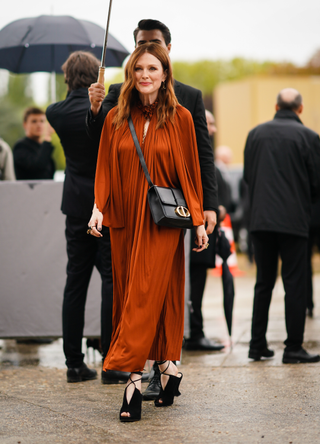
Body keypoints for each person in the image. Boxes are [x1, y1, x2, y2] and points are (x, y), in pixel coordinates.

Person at [86, 18, 218, 395]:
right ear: (131, 69)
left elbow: (196, 163)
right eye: (138, 66)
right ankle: (167, 366)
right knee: (133, 291)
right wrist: (99, 206)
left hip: (164, 217)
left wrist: (201, 213)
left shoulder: (183, 110)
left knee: (146, 291)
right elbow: (103, 159)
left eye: (152, 65)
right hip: (125, 217)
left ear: (165, 67)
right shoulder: (115, 108)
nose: (145, 73)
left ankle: (130, 377)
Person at [46, 52, 112, 383]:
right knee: (111, 282)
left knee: (76, 283)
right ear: (94, 75)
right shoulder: (109, 107)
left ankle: (74, 364)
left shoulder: (54, 112)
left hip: (74, 208)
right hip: (107, 206)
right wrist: (100, 102)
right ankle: (111, 361)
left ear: (68, 77)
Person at [244, 88, 320, 364]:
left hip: (261, 221)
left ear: (276, 107)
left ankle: (256, 346)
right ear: (299, 109)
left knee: (263, 283)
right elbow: (316, 184)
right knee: (295, 284)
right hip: (293, 222)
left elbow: (248, 177)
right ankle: (293, 348)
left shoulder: (255, 134)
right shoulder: (310, 137)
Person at [184, 111, 228, 351]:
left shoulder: (209, 160)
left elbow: (226, 197)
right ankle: (194, 332)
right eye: (208, 123)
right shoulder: (196, 157)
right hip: (192, 230)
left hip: (205, 230)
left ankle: (195, 330)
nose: (212, 128)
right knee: (192, 284)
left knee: (198, 285)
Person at [13, 107, 55, 180]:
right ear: (25, 124)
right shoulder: (20, 147)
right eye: (34, 121)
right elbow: (38, 167)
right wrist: (47, 136)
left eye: (42, 121)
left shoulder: (42, 146)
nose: (39, 125)